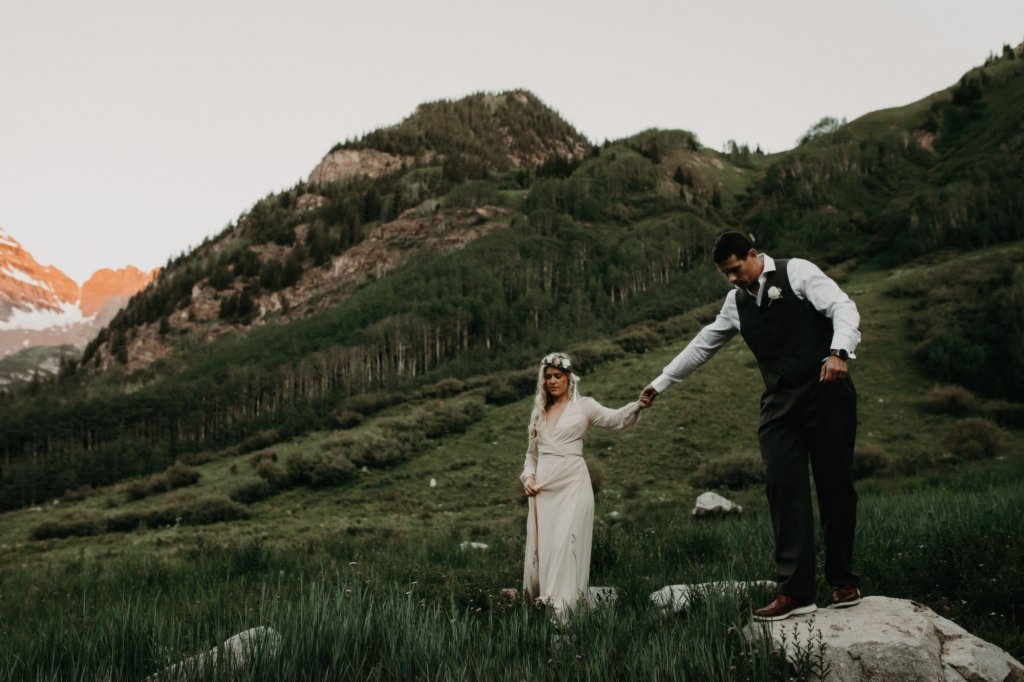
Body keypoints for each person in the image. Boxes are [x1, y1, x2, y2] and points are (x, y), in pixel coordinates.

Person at [638, 231, 862, 622]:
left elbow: (843, 308)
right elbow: (704, 344)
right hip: (779, 404)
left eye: (736, 270)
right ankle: (795, 593)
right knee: (782, 486)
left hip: (827, 390)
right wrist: (661, 382)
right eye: (725, 274)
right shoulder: (735, 302)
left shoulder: (797, 273)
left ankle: (844, 581)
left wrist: (838, 352)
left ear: (753, 255)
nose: (732, 279)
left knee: (835, 486)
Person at [520, 351, 643, 618]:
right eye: (548, 377)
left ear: (568, 378)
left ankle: (563, 613)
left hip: (573, 486)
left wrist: (639, 404)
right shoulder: (538, 414)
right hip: (544, 491)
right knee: (549, 549)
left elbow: (616, 419)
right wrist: (528, 477)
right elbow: (532, 456)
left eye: (557, 376)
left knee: (567, 546)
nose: (552, 381)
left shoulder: (584, 406)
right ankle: (545, 606)